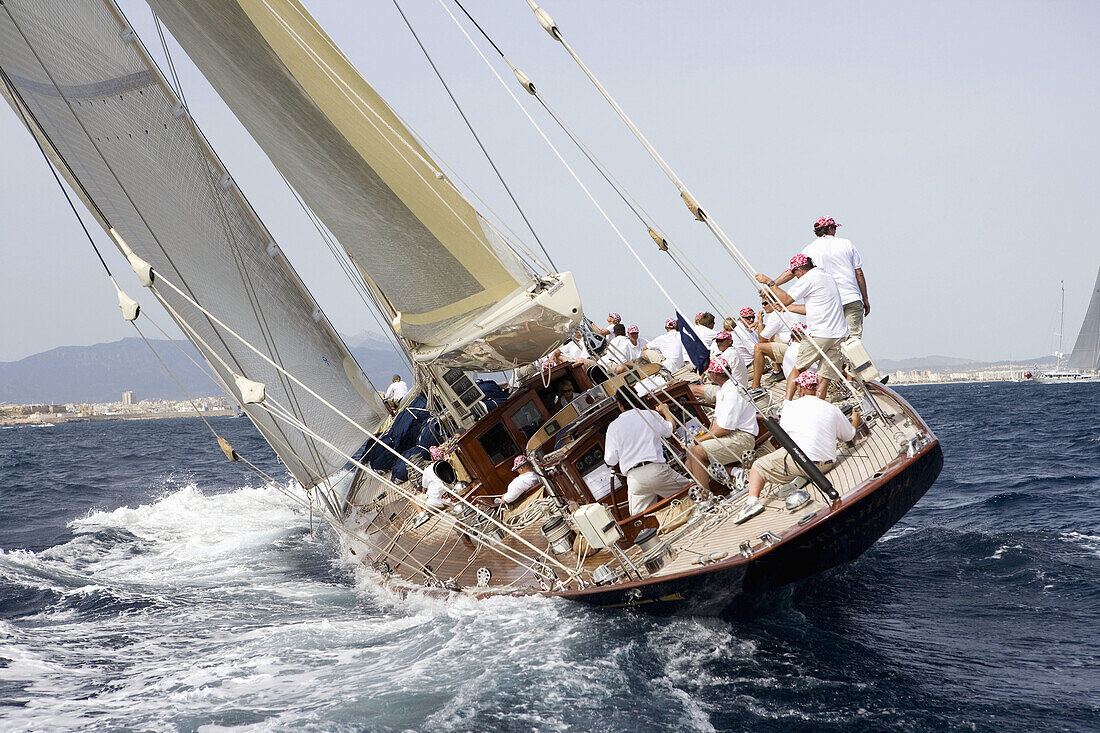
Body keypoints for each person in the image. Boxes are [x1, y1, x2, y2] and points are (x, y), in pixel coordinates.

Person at [736, 371, 860, 522]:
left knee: (758, 466)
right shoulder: (831, 408)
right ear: (816, 388)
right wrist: (855, 421)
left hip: (805, 465)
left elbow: (785, 437)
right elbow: (848, 436)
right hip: (827, 464)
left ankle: (752, 503)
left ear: (800, 388)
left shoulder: (790, 407)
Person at [757, 254, 850, 401]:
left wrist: (769, 282)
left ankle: (787, 403)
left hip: (820, 334)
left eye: (794, 273)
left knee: (798, 368)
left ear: (799, 270)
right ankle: (819, 404)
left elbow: (785, 299)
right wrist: (789, 308)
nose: (795, 276)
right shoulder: (826, 276)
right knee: (824, 376)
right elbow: (811, 308)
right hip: (839, 334)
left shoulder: (808, 278)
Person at [764, 216, 870, 338]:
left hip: (828, 302)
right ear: (830, 228)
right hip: (851, 297)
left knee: (834, 338)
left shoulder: (808, 250)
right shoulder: (846, 244)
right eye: (834, 228)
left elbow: (791, 272)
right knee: (853, 339)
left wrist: (772, 284)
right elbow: (859, 273)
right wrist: (865, 298)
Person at [603, 388, 691, 515]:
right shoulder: (650, 415)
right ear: (637, 400)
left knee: (640, 520)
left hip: (635, 479)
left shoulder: (613, 427)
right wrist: (666, 411)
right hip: (657, 471)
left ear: (620, 405)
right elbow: (670, 430)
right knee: (693, 491)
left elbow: (610, 460)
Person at [687, 356, 759, 489]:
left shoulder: (732, 391)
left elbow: (724, 429)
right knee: (689, 462)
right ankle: (735, 472)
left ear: (714, 375)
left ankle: (705, 499)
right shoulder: (725, 389)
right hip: (733, 435)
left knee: (695, 452)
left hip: (741, 438)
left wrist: (699, 439)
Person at [690, 330, 748, 403]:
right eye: (717, 341)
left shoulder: (728, 354)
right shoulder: (733, 352)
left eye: (721, 341)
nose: (718, 344)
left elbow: (715, 375)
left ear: (730, 341)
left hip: (732, 391)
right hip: (738, 388)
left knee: (692, 389)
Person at [750, 298, 793, 388]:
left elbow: (762, 339)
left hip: (792, 349)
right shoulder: (785, 311)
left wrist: (760, 322)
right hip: (794, 345)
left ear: (774, 303)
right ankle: (778, 370)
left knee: (758, 348)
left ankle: (755, 386)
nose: (763, 306)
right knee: (771, 337)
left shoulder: (775, 315)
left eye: (765, 303)